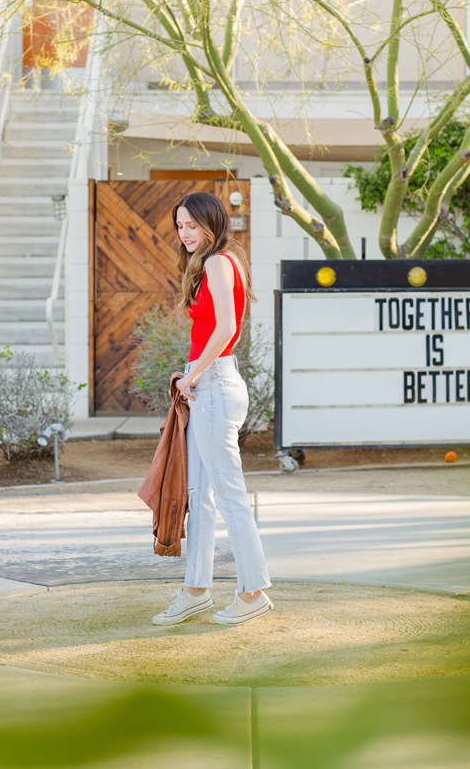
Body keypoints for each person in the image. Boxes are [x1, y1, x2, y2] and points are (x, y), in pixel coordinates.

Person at [152, 191, 273, 626]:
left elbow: (226, 328)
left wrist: (192, 375)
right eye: (179, 225)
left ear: (211, 224)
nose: (184, 233)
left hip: (214, 382)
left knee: (227, 494)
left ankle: (252, 592)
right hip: (209, 383)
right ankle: (196, 589)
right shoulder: (211, 262)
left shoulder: (220, 262)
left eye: (191, 225)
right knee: (198, 497)